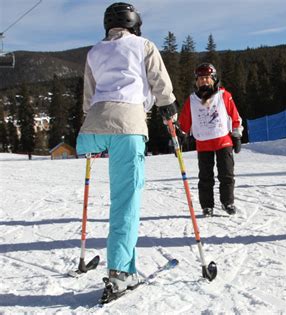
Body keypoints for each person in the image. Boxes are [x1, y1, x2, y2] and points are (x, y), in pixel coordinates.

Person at [75, 2, 178, 295]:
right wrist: (168, 108)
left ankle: (121, 266)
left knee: (117, 194)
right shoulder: (143, 45)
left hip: (92, 129)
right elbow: (161, 84)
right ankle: (120, 271)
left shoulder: (94, 51)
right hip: (128, 126)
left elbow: (88, 96)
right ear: (135, 23)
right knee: (125, 201)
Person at [178, 63, 243, 216]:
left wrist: (237, 135)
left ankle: (228, 202)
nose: (204, 81)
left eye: (207, 78)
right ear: (196, 82)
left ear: (213, 79)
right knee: (205, 177)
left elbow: (235, 117)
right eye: (200, 79)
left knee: (226, 175)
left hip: (223, 141)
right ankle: (207, 206)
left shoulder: (223, 96)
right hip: (203, 143)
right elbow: (184, 123)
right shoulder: (192, 100)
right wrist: (179, 139)